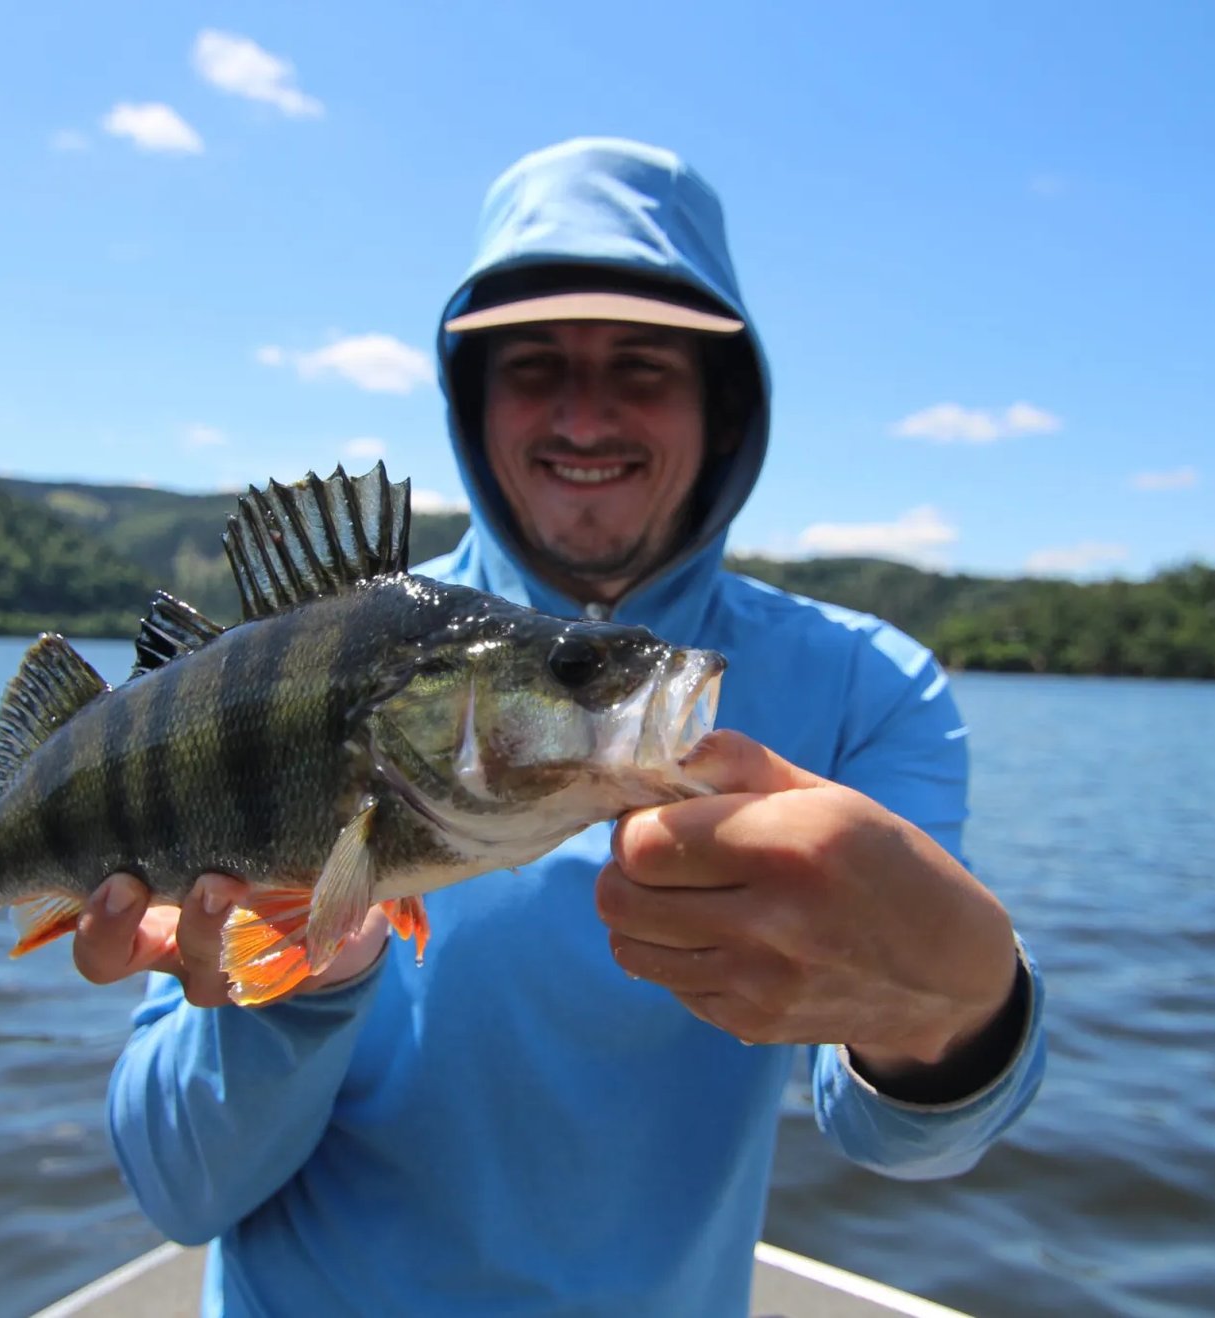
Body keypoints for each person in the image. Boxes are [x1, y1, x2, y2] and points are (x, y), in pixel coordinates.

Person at [72, 136, 1046, 1317]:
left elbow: (906, 1146)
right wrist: (303, 989)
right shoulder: (298, 673)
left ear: (722, 403)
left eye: (643, 365)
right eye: (536, 365)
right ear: (472, 403)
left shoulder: (866, 690)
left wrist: (962, 1009)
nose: (585, 415)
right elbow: (177, 1189)